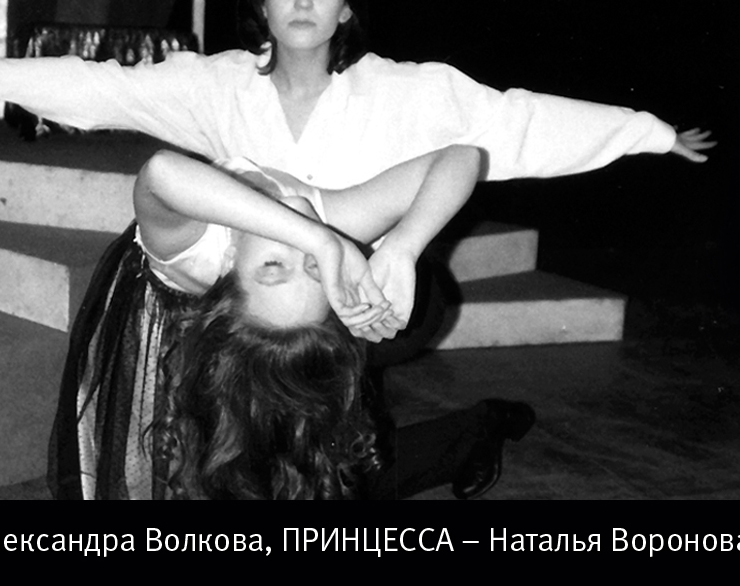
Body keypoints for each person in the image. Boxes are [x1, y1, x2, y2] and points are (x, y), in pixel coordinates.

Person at [0, 0, 712, 497]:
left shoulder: (408, 92)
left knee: (316, 459)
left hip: (339, 291)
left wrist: (643, 132)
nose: (301, 0)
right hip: (213, 296)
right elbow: (102, 89)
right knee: (234, 465)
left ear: (346, 4)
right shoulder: (218, 86)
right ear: (259, 0)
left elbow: (508, 125)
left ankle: (437, 438)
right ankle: (458, 437)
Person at [66, 143, 479, 499]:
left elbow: (160, 172)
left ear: (230, 263)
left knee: (187, 466)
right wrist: (402, 247)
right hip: (242, 347)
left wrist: (320, 243)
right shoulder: (325, 229)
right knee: (283, 456)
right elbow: (461, 156)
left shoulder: (191, 248)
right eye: (314, 269)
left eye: (274, 266)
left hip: (178, 344)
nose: (299, 249)